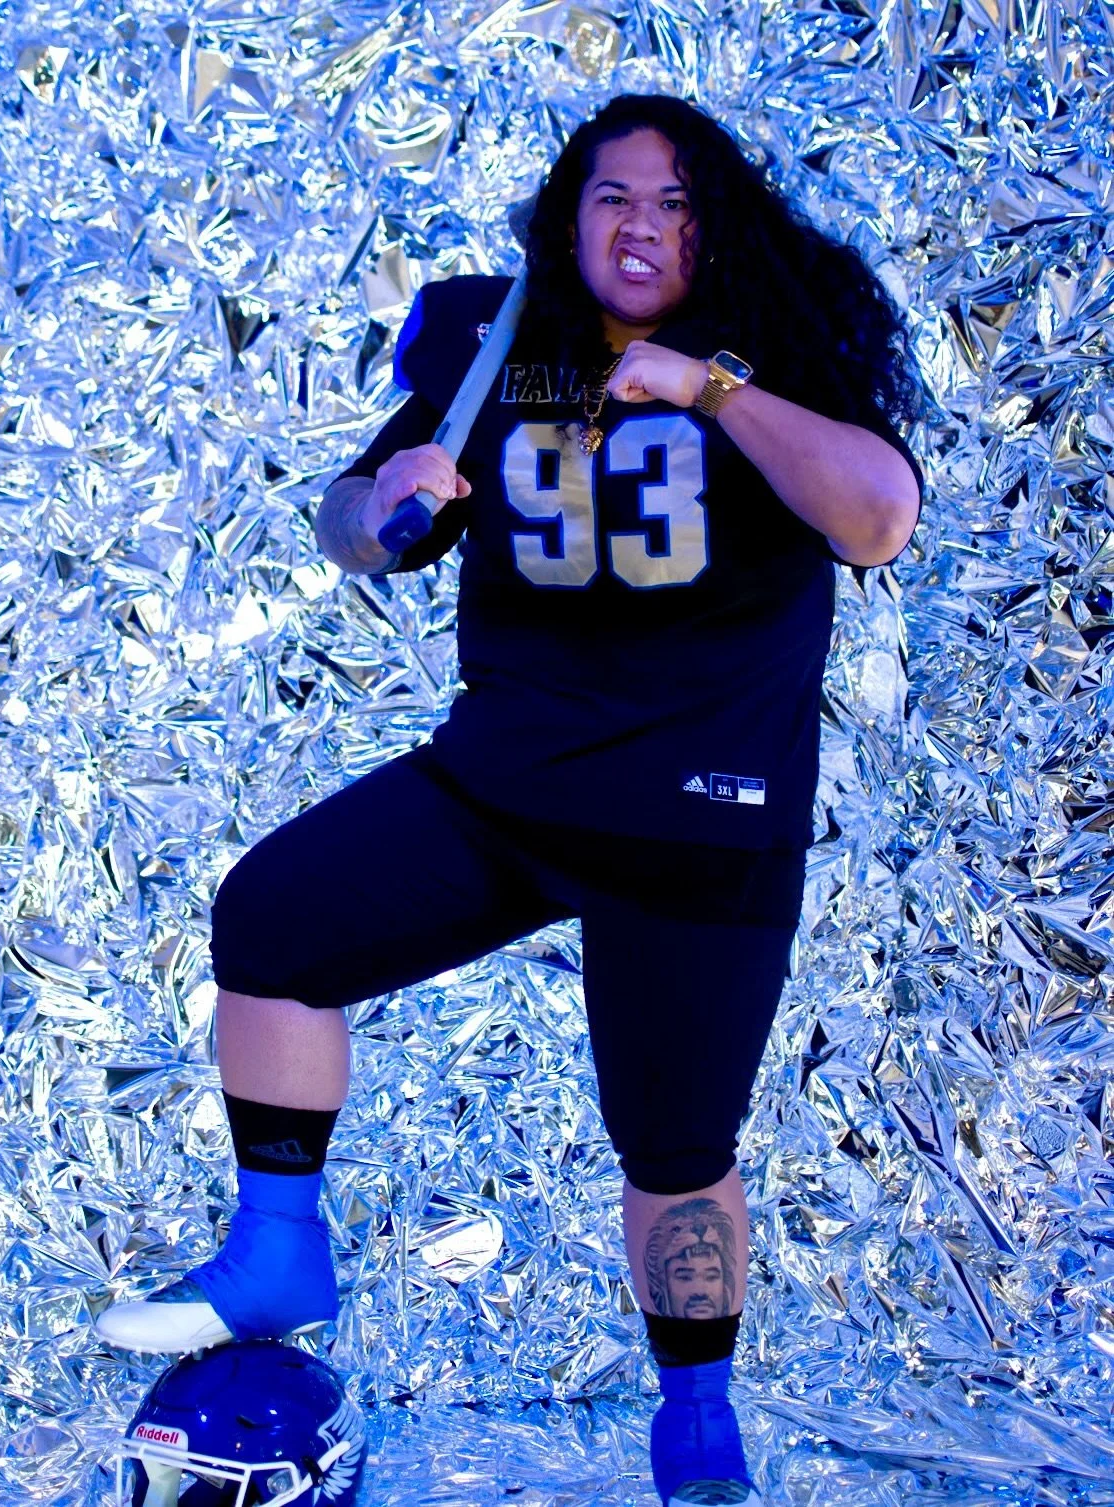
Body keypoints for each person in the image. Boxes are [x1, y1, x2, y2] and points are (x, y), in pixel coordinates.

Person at [96, 92, 925, 1506]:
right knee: (274, 921)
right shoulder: (502, 342)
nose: (641, 226)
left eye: (673, 203)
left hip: (697, 818)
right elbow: (356, 527)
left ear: (711, 223)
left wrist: (705, 388)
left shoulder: (771, 341)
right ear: (569, 214)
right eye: (613, 199)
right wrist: (385, 498)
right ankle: (282, 1246)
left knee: (671, 1151)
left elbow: (876, 518)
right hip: (508, 786)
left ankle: (697, 1413)